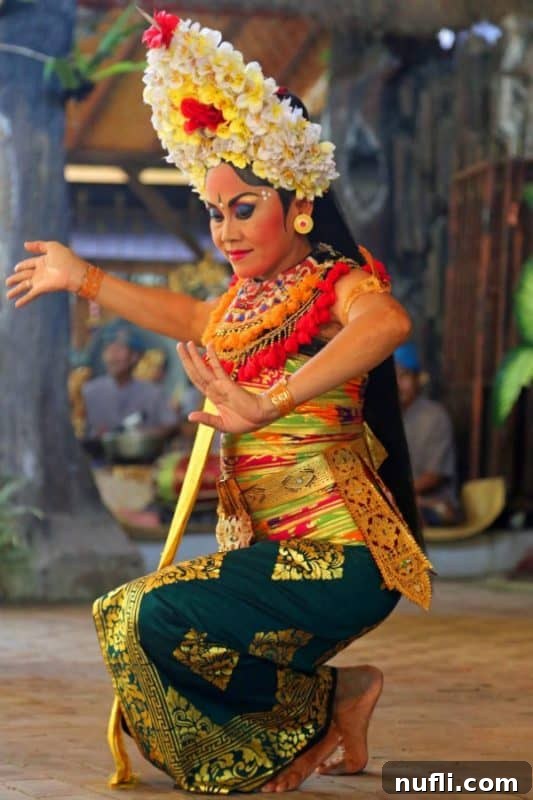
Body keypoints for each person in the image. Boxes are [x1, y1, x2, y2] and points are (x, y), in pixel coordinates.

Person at [5, 11, 432, 794]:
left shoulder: (337, 280)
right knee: (142, 649)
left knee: (138, 619)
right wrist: (84, 278)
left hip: (345, 560)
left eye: (244, 207)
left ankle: (289, 736)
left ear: (296, 203)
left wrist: (271, 401)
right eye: (213, 210)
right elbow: (187, 316)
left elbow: (388, 323)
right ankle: (339, 695)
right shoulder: (241, 301)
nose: (225, 230)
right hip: (276, 559)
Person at [395, 342, 460, 526]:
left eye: (404, 375)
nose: (398, 384)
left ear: (418, 379)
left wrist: (396, 493)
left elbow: (435, 476)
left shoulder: (434, 416)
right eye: (393, 376)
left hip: (432, 504)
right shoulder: (384, 417)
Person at [82, 324, 178, 444]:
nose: (112, 356)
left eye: (119, 350)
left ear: (134, 357)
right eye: (108, 349)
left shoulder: (153, 393)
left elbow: (170, 425)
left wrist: (146, 435)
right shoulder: (89, 391)